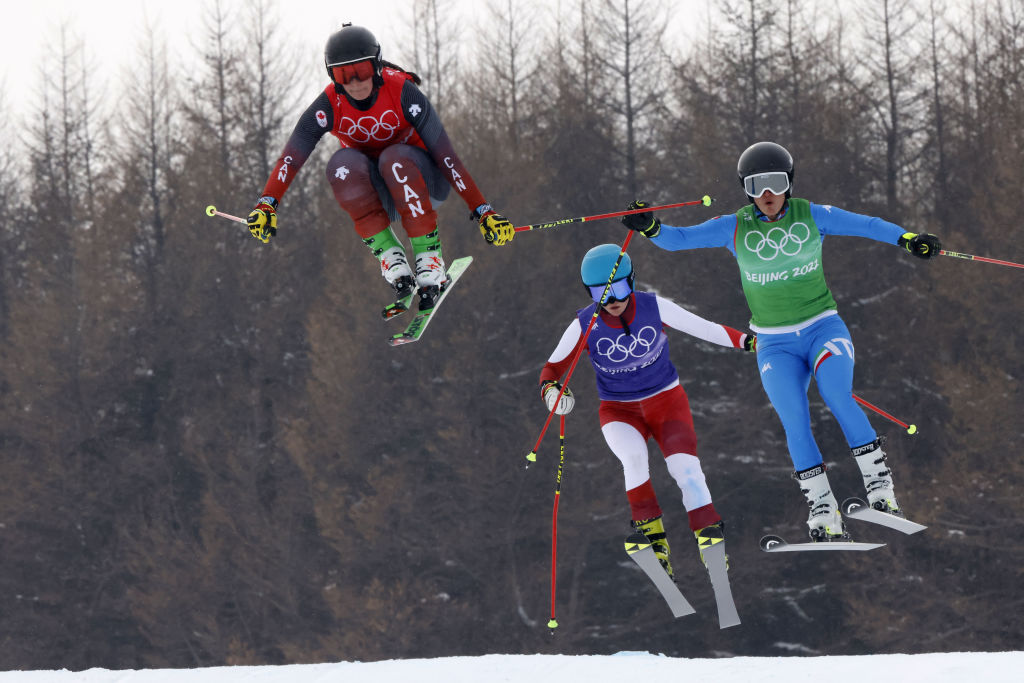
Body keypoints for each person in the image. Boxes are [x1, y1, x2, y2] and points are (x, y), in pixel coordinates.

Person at [622, 141, 942, 542]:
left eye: (775, 183)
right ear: (746, 190)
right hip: (775, 345)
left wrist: (909, 239)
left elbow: (868, 224)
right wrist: (650, 226)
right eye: (756, 185)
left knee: (837, 394)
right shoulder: (734, 226)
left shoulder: (812, 215)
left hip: (823, 329)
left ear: (789, 183)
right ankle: (823, 507)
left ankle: (880, 488)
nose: (767, 194)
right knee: (794, 419)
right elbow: (681, 239)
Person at [246, 24, 514, 310]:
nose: (354, 82)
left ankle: (428, 258)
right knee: (341, 166)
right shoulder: (329, 105)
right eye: (343, 75)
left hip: (425, 184)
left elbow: (447, 158)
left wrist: (483, 210)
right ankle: (391, 258)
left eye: (361, 71)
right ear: (332, 76)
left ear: (375, 66)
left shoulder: (402, 92)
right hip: (383, 196)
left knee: (394, 158)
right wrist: (267, 204)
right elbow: (291, 157)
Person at [538, 244, 756, 579]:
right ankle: (655, 540)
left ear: (633, 281)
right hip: (619, 411)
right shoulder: (585, 323)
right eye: (601, 293)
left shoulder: (654, 307)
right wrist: (553, 395)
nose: (613, 301)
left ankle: (708, 537)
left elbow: (707, 329)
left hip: (667, 401)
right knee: (634, 460)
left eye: (621, 289)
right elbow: (551, 371)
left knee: (685, 468)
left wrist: (748, 342)